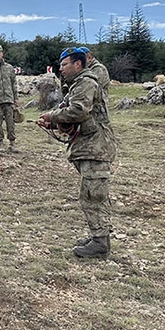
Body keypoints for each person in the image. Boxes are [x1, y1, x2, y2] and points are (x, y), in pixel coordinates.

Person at [39, 47, 117, 258]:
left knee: (92, 196)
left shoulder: (86, 83)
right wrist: (54, 123)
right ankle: (99, 236)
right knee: (94, 194)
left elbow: (78, 111)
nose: (61, 68)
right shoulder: (78, 85)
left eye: (65, 64)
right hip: (88, 147)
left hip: (95, 148)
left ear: (78, 64)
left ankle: (100, 243)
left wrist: (52, 116)